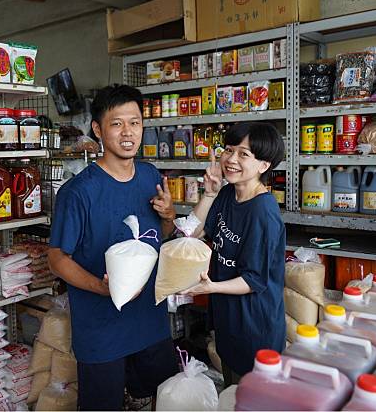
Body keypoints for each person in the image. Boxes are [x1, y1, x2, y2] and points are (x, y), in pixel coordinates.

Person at [48, 84, 179, 410]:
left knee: (163, 399)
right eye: (117, 123)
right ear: (98, 129)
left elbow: (157, 238)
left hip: (150, 321)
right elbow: (57, 259)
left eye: (134, 122)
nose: (127, 132)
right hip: (101, 332)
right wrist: (103, 289)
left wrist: (168, 217)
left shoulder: (150, 176)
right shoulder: (78, 193)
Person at [182, 122, 286, 386]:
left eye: (243, 154)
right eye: (229, 150)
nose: (231, 159)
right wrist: (209, 193)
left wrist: (211, 287)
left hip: (254, 327)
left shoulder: (263, 212)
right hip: (229, 319)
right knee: (231, 391)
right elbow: (191, 234)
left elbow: (254, 280)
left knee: (250, 397)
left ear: (264, 166)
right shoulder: (228, 193)